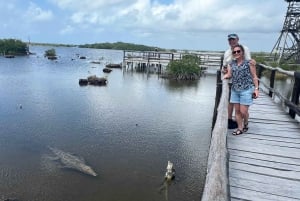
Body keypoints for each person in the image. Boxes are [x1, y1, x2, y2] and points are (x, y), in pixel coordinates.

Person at [223, 44, 259, 135]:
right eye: (234, 52)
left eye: (238, 51)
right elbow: (230, 74)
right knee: (237, 111)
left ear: (242, 52)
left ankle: (246, 122)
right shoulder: (231, 64)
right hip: (235, 90)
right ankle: (240, 128)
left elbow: (254, 77)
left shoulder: (249, 63)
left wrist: (256, 89)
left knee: (243, 111)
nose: (236, 53)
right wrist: (226, 75)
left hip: (246, 89)